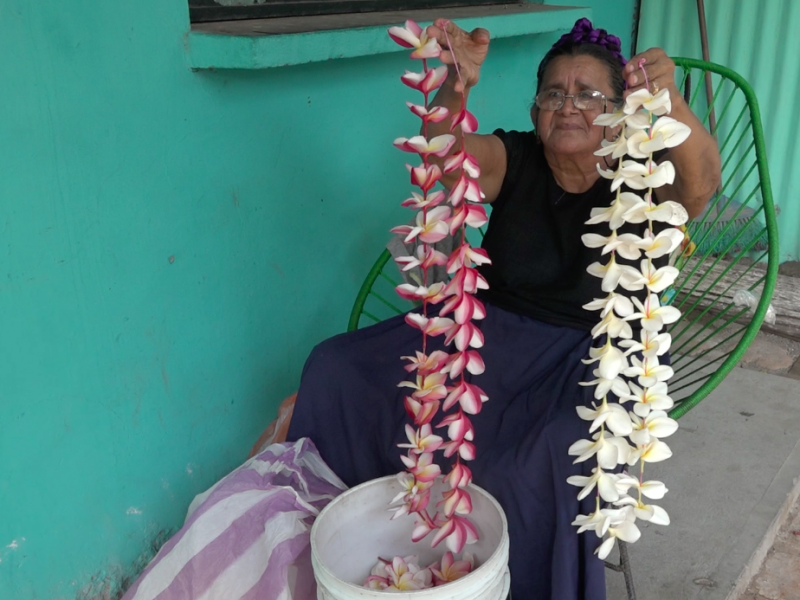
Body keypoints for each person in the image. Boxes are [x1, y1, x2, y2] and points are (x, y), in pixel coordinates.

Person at [286, 17, 721, 600]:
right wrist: (456, 87)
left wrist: (672, 106)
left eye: (590, 95)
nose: (569, 107)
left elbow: (699, 187)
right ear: (535, 110)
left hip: (589, 356)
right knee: (338, 368)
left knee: (541, 459)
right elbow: (443, 157)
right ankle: (375, 550)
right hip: (480, 338)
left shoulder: (639, 174)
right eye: (553, 94)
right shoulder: (516, 157)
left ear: (622, 109)